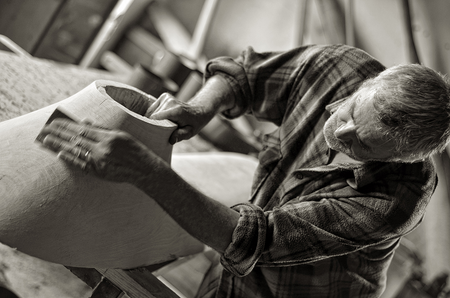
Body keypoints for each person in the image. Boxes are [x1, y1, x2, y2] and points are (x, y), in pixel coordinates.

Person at [39, 44, 450, 297]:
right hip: (231, 277)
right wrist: (201, 108)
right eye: (351, 112)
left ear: (403, 158)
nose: (338, 131)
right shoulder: (340, 67)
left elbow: (257, 240)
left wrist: (147, 173)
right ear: (368, 83)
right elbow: (246, 76)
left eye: (362, 144)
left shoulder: (397, 200)